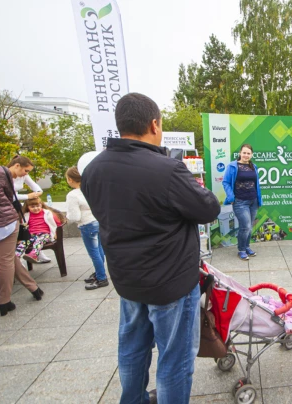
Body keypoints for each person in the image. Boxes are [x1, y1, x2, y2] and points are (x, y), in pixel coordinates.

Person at [81, 93, 220, 404]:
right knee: (175, 360)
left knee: (132, 348)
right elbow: (208, 209)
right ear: (154, 124)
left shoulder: (94, 170)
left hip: (127, 281)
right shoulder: (168, 170)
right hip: (170, 283)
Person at [0, 134, 44, 317]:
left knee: (5, 258)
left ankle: (33, 288)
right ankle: (4, 301)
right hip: (6, 223)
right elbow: (11, 197)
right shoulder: (1, 172)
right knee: (6, 260)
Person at [65, 166, 108, 290]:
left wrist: (67, 217)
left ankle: (101, 278)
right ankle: (99, 272)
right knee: (99, 249)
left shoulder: (73, 195)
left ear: (70, 179)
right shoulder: (92, 189)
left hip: (87, 224)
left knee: (94, 253)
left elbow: (74, 216)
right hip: (98, 222)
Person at [7, 155, 52, 264]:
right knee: (14, 232)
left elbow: (35, 186)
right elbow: (8, 195)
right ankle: (15, 257)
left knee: (24, 229)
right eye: (26, 170)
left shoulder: (22, 176)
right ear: (17, 166)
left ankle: (37, 251)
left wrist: (37, 192)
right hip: (6, 205)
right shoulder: (5, 176)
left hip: (16, 204)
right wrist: (28, 196)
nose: (26, 173)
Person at [222, 144, 263, 261]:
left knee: (249, 227)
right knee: (245, 226)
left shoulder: (254, 166)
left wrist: (259, 199)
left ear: (252, 155)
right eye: (244, 153)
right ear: (240, 153)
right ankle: (241, 250)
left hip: (253, 201)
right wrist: (231, 196)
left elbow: (256, 184)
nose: (246, 155)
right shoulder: (232, 166)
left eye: (248, 153)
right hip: (240, 202)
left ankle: (247, 247)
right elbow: (225, 182)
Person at [16, 197, 63, 264]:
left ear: (41, 205)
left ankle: (34, 254)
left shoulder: (47, 213)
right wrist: (21, 238)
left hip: (45, 234)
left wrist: (56, 233)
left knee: (39, 241)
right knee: (23, 243)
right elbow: (23, 227)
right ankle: (16, 257)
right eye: (32, 207)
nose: (35, 208)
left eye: (37, 206)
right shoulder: (26, 215)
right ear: (28, 207)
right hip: (32, 234)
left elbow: (58, 223)